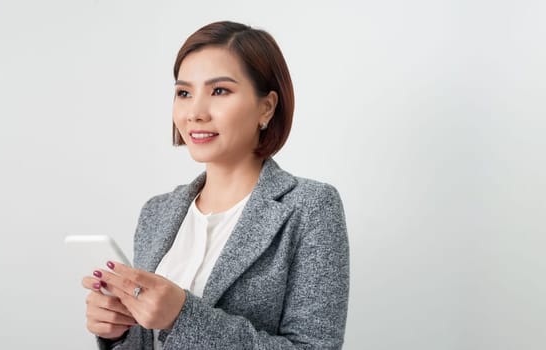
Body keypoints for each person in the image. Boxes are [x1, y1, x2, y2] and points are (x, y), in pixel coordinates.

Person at [80, 21, 350, 349]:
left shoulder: (310, 207)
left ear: (266, 107)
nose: (195, 112)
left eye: (219, 91)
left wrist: (183, 316)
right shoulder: (156, 212)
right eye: (183, 93)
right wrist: (117, 332)